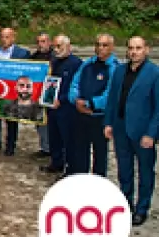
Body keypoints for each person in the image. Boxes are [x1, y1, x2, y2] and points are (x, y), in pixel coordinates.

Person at [103, 36, 159, 227]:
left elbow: (158, 107)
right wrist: (108, 123)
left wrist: (151, 133)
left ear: (146, 50)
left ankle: (142, 208)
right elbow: (112, 99)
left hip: (142, 132)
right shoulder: (119, 71)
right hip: (120, 128)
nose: (134, 51)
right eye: (131, 48)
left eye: (138, 48)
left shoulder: (154, 73)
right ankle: (125, 202)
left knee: (145, 171)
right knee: (124, 169)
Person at [69, 34, 119, 176]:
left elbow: (111, 93)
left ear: (111, 47)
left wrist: (90, 104)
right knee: (80, 152)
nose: (100, 48)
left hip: (99, 117)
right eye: (98, 44)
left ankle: (98, 184)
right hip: (80, 115)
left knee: (100, 155)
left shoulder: (114, 68)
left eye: (104, 45)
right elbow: (74, 84)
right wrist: (76, 100)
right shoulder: (87, 64)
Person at [41, 35, 82, 176]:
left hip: (67, 108)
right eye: (55, 47)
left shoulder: (76, 64)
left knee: (68, 139)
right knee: (54, 136)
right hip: (52, 106)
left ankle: (70, 168)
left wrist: (62, 99)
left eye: (59, 46)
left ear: (68, 46)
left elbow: (76, 87)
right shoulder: (53, 62)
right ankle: (56, 162)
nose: (56, 50)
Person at [0, 28, 30, 155]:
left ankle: (11, 145)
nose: (4, 40)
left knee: (11, 119)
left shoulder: (22, 54)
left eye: (7, 37)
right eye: (2, 37)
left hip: (12, 92)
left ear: (13, 38)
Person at [30, 33, 54, 157]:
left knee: (50, 123)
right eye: (39, 41)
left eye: (43, 41)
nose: (41, 44)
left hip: (50, 93)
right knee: (39, 122)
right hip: (36, 94)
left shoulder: (54, 57)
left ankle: (52, 148)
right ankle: (44, 147)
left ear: (50, 42)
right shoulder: (34, 57)